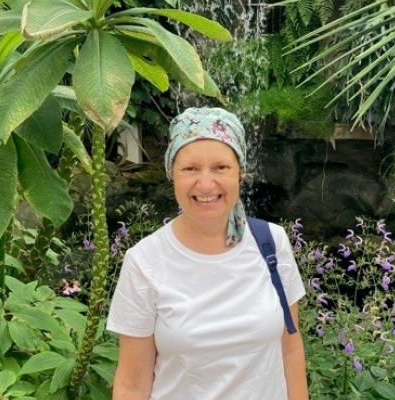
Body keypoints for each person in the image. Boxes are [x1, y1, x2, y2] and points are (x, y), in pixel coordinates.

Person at [106, 107, 309, 400]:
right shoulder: (144, 261)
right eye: (190, 169)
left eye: (220, 167)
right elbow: (132, 384)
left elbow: (290, 350)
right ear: (171, 174)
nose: (205, 184)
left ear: (240, 172)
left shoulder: (271, 244)